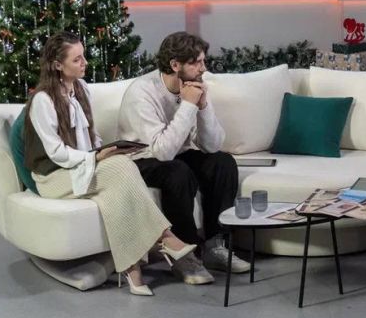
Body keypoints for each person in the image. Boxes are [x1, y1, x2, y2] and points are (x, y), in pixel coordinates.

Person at [24, 32, 197, 296]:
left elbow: (91, 135)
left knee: (119, 173)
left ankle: (131, 268)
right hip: (54, 177)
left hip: (83, 165)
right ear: (58, 64)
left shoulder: (81, 89)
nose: (85, 63)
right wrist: (93, 158)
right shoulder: (43, 100)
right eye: (77, 59)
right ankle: (164, 238)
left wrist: (103, 150)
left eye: (84, 56)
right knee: (120, 168)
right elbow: (56, 153)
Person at [118, 32, 249, 286]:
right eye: (196, 62)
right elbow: (162, 153)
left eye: (203, 61)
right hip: (139, 158)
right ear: (175, 64)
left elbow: (212, 145)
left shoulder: (193, 87)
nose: (203, 68)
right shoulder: (142, 92)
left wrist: (203, 106)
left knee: (223, 163)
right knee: (177, 172)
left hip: (175, 153)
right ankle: (184, 255)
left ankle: (215, 246)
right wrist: (188, 105)